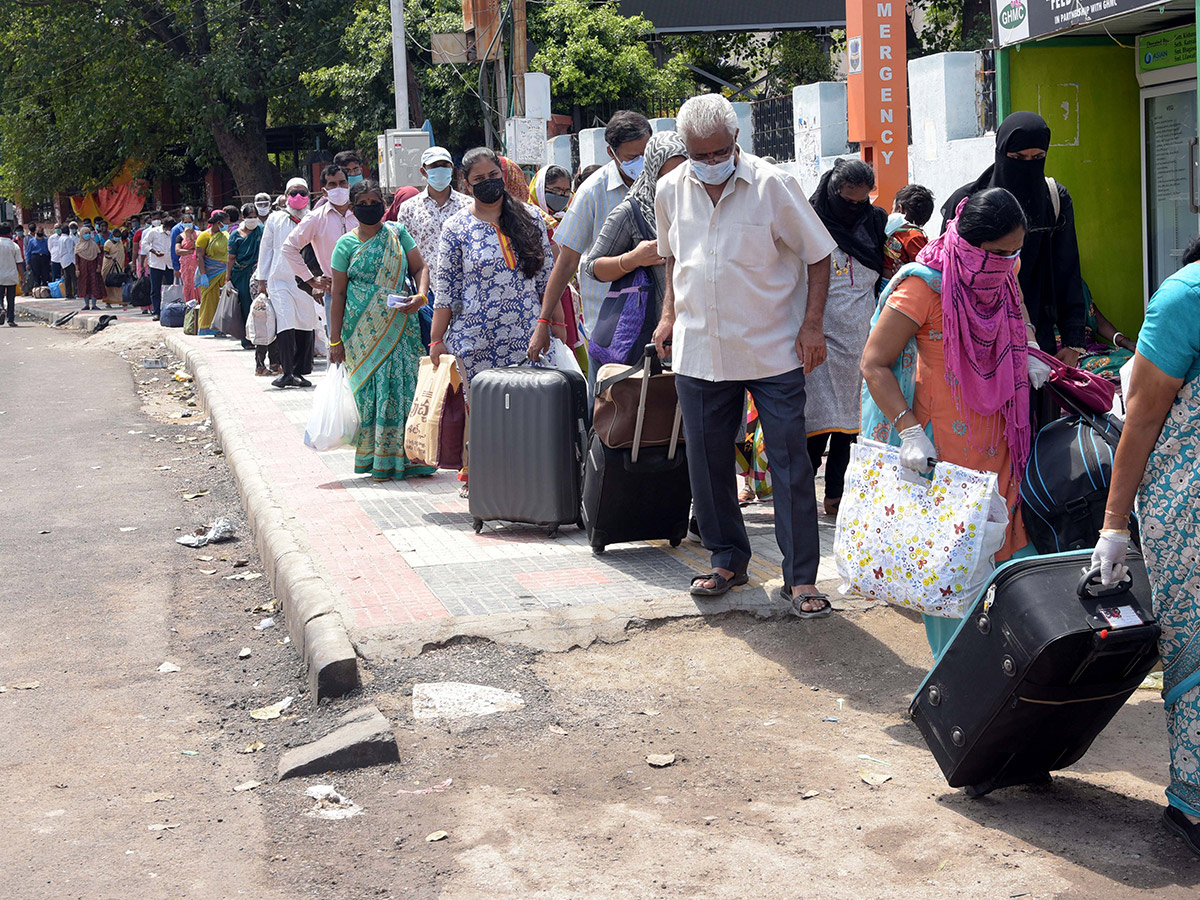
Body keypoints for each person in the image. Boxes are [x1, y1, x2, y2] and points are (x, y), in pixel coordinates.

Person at [652, 93, 836, 615]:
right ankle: (726, 559)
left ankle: (801, 578)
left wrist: (813, 326)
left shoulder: (772, 184)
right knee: (708, 464)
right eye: (699, 155)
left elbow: (820, 255)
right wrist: (668, 316)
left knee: (789, 463)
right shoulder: (669, 189)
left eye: (719, 153)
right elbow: (672, 259)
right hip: (699, 351)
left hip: (773, 348)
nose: (711, 163)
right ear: (684, 148)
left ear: (736, 142)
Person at [860, 188, 1044, 657]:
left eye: (1015, 252)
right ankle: (957, 693)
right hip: (942, 457)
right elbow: (875, 363)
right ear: (966, 241)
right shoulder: (924, 285)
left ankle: (1004, 690)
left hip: (1003, 446)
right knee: (950, 577)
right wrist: (907, 430)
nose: (1008, 261)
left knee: (1010, 568)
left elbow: (1020, 324)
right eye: (998, 253)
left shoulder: (1004, 275)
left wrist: (1031, 355)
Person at [1091, 235, 1200, 855]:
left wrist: (1114, 522)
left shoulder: (1184, 295)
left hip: (1184, 509)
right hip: (1188, 514)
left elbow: (1143, 417)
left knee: (1192, 647)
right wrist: (1115, 521)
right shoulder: (1188, 297)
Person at [431, 147, 554, 496]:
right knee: (483, 411)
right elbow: (446, 290)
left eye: (493, 177)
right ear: (467, 185)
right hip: (474, 339)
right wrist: (437, 340)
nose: (488, 184)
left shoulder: (531, 218)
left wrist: (553, 326)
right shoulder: (456, 227)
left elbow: (547, 281)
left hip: (526, 335)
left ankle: (527, 478)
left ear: (504, 176)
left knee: (527, 408)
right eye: (479, 180)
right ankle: (482, 478)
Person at [943, 111, 1086, 366]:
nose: (1027, 165)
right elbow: (946, 274)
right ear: (1000, 152)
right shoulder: (967, 202)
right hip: (975, 337)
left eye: (1037, 158)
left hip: (1039, 339)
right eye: (1018, 158)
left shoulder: (1054, 199)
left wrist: (1073, 340)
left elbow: (1068, 270)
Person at [528, 111, 653, 372]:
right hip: (611, 329)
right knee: (607, 408)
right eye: (632, 157)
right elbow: (566, 262)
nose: (641, 162)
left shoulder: (664, 181)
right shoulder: (592, 192)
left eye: (646, 153)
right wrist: (544, 320)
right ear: (611, 152)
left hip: (660, 325)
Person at [328, 180, 436, 481]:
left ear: (383, 204)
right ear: (352, 207)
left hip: (402, 325)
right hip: (360, 331)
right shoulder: (345, 245)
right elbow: (337, 294)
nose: (368, 207)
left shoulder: (397, 233)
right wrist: (335, 340)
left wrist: (421, 295)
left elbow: (420, 268)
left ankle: (411, 458)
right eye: (361, 203)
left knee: (405, 387)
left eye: (374, 201)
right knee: (371, 393)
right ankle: (377, 459)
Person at [805, 159, 888, 518]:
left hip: (863, 338)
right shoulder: (810, 221)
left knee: (851, 424)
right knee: (815, 421)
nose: (855, 208)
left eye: (862, 201)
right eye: (847, 200)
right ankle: (800, 494)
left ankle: (837, 494)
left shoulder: (876, 222)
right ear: (833, 191)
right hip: (817, 338)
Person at [581, 131, 687, 363]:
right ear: (652, 173)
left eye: (683, 175)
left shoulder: (698, 207)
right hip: (651, 344)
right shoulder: (632, 212)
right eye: (666, 176)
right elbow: (592, 267)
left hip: (696, 336)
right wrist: (633, 259)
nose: (674, 184)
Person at [397, 147, 469, 346]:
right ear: (423, 171)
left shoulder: (468, 205)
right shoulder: (409, 209)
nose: (440, 170)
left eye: (444, 165)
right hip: (426, 294)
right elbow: (403, 255)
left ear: (452, 168)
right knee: (432, 350)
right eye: (434, 166)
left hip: (463, 290)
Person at [282, 163, 357, 351]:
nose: (338, 188)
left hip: (365, 289)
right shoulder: (315, 218)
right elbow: (289, 248)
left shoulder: (361, 213)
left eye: (342, 183)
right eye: (332, 185)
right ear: (324, 191)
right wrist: (310, 280)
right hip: (334, 291)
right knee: (337, 346)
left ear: (349, 185)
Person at [256, 177, 317, 388]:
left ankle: (300, 372)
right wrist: (261, 278)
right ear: (285, 196)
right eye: (293, 193)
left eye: (302, 192)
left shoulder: (314, 218)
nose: (298, 197)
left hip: (308, 281)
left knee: (305, 324)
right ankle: (287, 371)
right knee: (285, 324)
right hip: (279, 279)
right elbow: (266, 248)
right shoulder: (275, 219)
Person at [529, 164, 582, 356]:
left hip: (572, 293)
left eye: (566, 191)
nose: (562, 195)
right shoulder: (532, 219)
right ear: (541, 190)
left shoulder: (573, 216)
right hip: (548, 296)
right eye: (556, 190)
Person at [227, 202, 264, 349]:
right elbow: (230, 258)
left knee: (259, 305)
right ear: (243, 217)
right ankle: (246, 339)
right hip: (240, 274)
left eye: (255, 217)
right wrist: (227, 278)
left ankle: (260, 337)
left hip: (258, 272)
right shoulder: (235, 235)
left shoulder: (261, 230)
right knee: (245, 306)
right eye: (249, 217)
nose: (253, 220)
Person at [883, 183, 934, 280]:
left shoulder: (912, 235)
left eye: (892, 208)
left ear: (900, 209)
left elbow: (923, 268)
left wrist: (906, 270)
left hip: (893, 285)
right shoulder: (914, 235)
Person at [194, 209, 229, 333]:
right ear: (218, 223)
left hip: (224, 271)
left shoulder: (225, 234)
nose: (227, 225)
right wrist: (203, 275)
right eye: (225, 223)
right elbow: (199, 256)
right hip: (209, 272)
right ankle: (206, 328)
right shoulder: (204, 236)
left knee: (227, 300)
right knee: (209, 300)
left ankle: (223, 327)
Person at [142, 212, 175, 318]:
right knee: (155, 289)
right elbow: (144, 243)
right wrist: (154, 251)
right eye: (169, 228)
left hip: (169, 264)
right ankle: (156, 312)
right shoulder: (153, 232)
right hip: (156, 264)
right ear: (164, 226)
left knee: (170, 288)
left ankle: (169, 310)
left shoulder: (173, 233)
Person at [74, 223, 104, 310]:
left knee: (94, 285)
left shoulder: (94, 245)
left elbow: (99, 256)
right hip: (83, 269)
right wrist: (77, 269)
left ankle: (94, 304)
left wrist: (99, 266)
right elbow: (77, 259)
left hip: (93, 268)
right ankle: (86, 304)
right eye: (85, 233)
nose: (87, 235)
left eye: (88, 233)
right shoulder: (78, 247)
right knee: (84, 285)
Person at [0, 224, 25, 326]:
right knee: (11, 299)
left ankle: (1, 308)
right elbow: (19, 263)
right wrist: (22, 277)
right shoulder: (14, 246)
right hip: (11, 276)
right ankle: (10, 319)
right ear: (10, 233)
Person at [176, 216, 200, 308]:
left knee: (198, 286)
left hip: (197, 264)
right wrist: (191, 252)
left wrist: (190, 237)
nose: (187, 224)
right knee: (187, 286)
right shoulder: (180, 237)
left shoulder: (199, 234)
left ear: (193, 222)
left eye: (189, 222)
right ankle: (189, 308)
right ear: (182, 223)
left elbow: (199, 249)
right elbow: (178, 251)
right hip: (186, 266)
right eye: (185, 222)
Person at [49, 223, 77, 299]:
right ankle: (76, 292)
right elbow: (70, 251)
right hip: (69, 260)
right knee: (73, 277)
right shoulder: (68, 239)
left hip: (63, 260)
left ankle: (68, 294)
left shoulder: (61, 238)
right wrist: (74, 262)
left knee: (67, 278)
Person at [101, 228, 127, 308]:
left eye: (119, 236)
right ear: (112, 236)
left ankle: (120, 300)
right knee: (109, 283)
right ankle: (108, 301)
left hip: (119, 265)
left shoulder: (120, 242)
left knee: (118, 283)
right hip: (109, 265)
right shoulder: (108, 243)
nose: (118, 238)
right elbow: (106, 254)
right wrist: (111, 256)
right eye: (116, 236)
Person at [169, 206, 195, 282]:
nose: (188, 224)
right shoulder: (176, 230)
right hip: (183, 265)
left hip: (195, 264)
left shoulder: (197, 230)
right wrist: (176, 267)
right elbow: (175, 251)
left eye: (191, 213)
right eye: (187, 213)